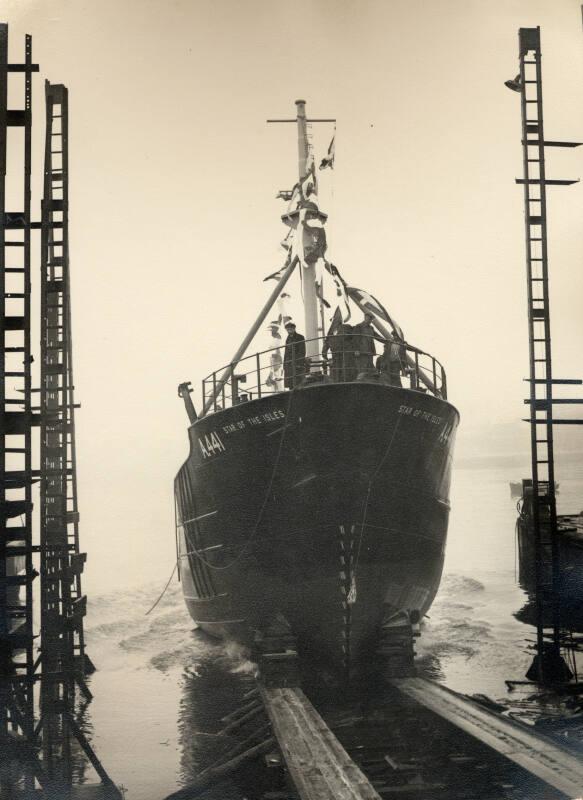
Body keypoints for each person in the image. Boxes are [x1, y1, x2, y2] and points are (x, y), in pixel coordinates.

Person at [283, 321, 306, 389]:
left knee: (298, 382)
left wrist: (298, 362)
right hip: (289, 364)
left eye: (290, 329)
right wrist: (284, 364)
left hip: (297, 363)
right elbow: (286, 352)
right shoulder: (288, 339)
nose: (289, 330)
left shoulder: (300, 337)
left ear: (294, 328)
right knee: (291, 383)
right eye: (288, 329)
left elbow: (302, 351)